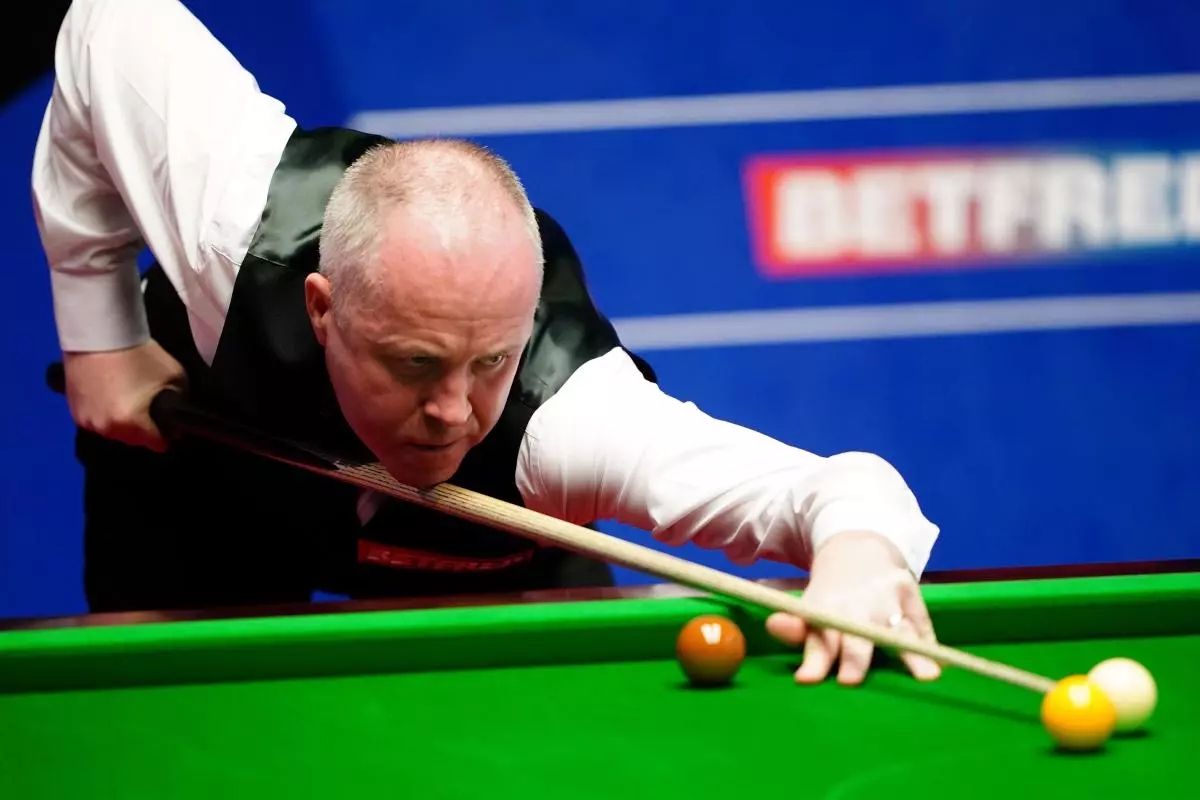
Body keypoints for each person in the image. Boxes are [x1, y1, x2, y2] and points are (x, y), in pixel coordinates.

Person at [32, 0, 942, 687]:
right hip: (201, 456)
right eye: (415, 363)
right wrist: (99, 335)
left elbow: (841, 490)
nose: (452, 414)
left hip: (489, 551)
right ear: (321, 307)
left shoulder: (570, 421)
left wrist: (859, 558)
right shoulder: (233, 231)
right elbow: (106, 24)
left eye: (491, 361)